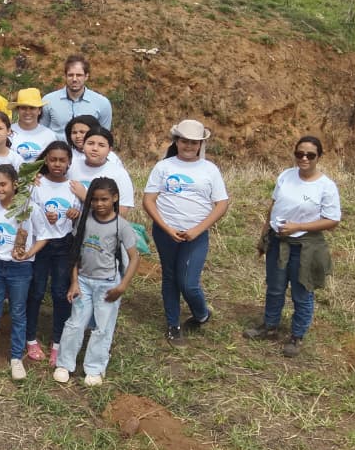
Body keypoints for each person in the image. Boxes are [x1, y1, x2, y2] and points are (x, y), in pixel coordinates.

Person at [245, 136, 341, 357]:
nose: (304, 158)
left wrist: (299, 226)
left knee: (302, 291)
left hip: (305, 246)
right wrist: (263, 238)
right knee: (275, 288)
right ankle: (270, 327)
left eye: (310, 155)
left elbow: (332, 220)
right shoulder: (286, 176)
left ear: (319, 157)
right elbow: (274, 206)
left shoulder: (326, 186)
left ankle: (297, 336)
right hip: (278, 242)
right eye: (299, 154)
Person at [142, 119, 230, 347]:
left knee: (189, 283)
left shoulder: (210, 169)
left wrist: (198, 229)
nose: (189, 146)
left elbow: (221, 204)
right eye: (184, 141)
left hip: (196, 235)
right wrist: (166, 227)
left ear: (201, 144)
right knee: (170, 277)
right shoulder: (164, 167)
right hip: (166, 232)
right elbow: (149, 200)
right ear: (177, 141)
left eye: (194, 142)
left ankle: (201, 313)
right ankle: (173, 324)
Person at [53, 176, 138, 386]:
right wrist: (74, 281)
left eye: (105, 199)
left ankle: (94, 367)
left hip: (108, 284)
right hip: (83, 281)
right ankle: (64, 364)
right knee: (75, 323)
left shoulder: (121, 226)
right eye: (95, 200)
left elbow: (134, 257)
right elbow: (76, 253)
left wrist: (122, 286)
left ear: (115, 198)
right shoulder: (84, 220)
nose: (99, 204)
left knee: (103, 327)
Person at [0, 164, 50, 380]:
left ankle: (16, 357)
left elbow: (43, 236)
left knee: (18, 311)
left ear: (15, 184)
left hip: (20, 268)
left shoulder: (29, 208)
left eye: (3, 184)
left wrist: (28, 254)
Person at [27, 141, 81, 366]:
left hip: (63, 245)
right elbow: (27, 211)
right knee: (36, 291)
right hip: (40, 245)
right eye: (52, 159)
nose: (57, 164)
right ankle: (30, 338)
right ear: (45, 161)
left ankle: (58, 342)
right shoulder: (35, 184)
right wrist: (42, 218)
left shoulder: (73, 187)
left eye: (62, 160)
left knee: (60, 293)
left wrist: (74, 213)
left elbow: (80, 215)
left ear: (69, 162)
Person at [40, 54, 112, 140]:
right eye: (70, 75)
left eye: (79, 75)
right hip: (57, 151)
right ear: (65, 76)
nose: (74, 79)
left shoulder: (102, 103)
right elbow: (41, 132)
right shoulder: (48, 101)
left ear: (86, 76)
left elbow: (104, 136)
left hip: (86, 153)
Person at [68, 126, 134, 217]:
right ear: (83, 145)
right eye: (90, 143)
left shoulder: (119, 174)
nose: (95, 148)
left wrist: (86, 198)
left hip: (101, 229)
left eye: (101, 145)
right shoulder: (70, 167)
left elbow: (122, 212)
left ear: (109, 150)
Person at [9, 88, 55, 163]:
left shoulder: (49, 135)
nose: (28, 112)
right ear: (18, 110)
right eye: (23, 108)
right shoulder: (8, 132)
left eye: (32, 108)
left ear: (39, 110)